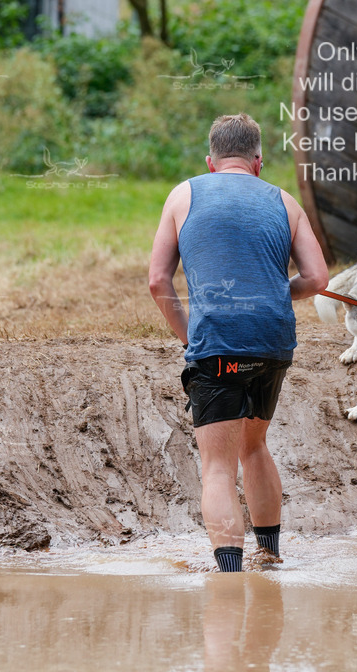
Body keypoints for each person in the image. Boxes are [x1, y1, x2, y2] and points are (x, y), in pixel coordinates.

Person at [148, 113, 329, 572]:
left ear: (210, 162)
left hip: (218, 345)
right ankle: (270, 558)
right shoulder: (285, 202)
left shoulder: (183, 194)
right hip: (272, 343)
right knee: (254, 446)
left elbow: (157, 282)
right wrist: (273, 293)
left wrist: (192, 338)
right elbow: (317, 278)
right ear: (258, 161)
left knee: (218, 469)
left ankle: (230, 576)